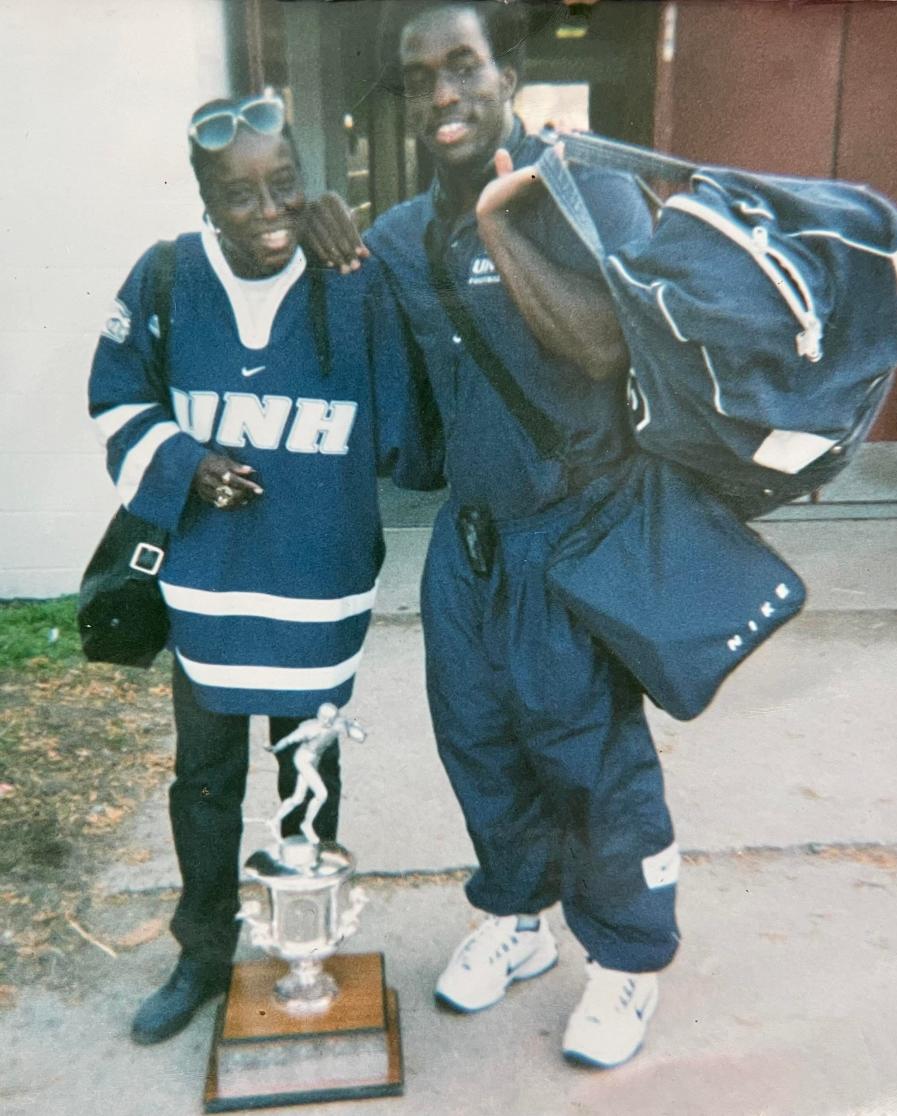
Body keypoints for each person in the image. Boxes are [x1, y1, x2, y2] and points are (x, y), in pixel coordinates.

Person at [306, 1, 679, 1069]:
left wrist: (502, 225)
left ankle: (626, 958)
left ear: (505, 71)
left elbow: (608, 348)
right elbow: (377, 374)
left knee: (590, 751)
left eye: (462, 68)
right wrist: (325, 245)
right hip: (469, 542)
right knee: (477, 737)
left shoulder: (584, 188)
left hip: (577, 526)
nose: (442, 97)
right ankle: (518, 918)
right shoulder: (398, 236)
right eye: (420, 79)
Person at [88, 89, 439, 1044]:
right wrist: (185, 464)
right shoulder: (165, 277)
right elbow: (117, 400)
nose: (270, 211)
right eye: (240, 195)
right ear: (204, 195)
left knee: (308, 779)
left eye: (284, 185)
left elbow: (418, 429)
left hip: (317, 585)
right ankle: (203, 952)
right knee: (204, 781)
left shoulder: (351, 279)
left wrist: (372, 260)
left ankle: (305, 950)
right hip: (205, 585)